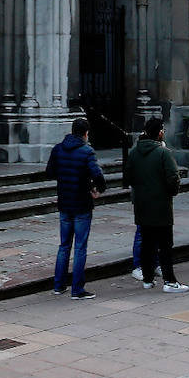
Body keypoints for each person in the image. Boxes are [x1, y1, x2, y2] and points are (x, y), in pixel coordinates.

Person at [124, 118, 188, 292]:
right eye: (162, 130)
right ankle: (169, 281)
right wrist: (171, 191)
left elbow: (128, 177)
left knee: (147, 243)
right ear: (159, 132)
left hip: (142, 205)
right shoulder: (163, 153)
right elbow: (173, 178)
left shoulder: (135, 152)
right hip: (161, 206)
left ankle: (147, 278)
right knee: (165, 245)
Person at [46, 118, 107, 299]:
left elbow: (49, 172)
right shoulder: (87, 151)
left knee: (64, 245)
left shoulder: (58, 149)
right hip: (81, 203)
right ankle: (77, 289)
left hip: (65, 202)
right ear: (86, 133)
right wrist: (98, 189)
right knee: (80, 247)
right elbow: (97, 174)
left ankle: (59, 285)